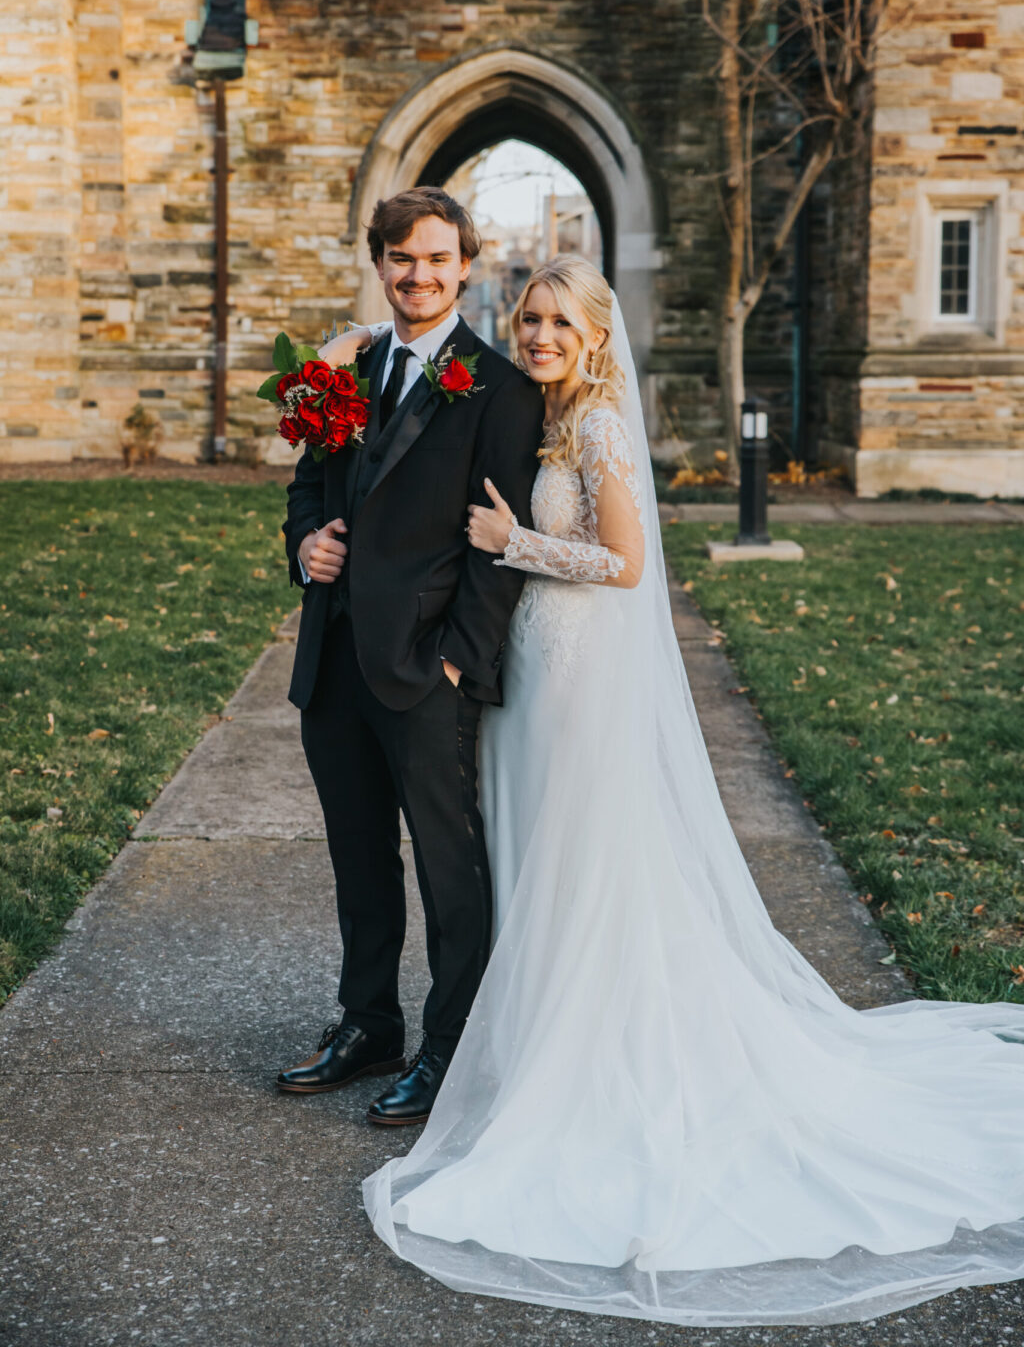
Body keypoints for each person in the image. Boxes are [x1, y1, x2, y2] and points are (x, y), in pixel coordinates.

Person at [342, 252, 1024, 1328]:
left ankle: (603, 1057)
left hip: (580, 674)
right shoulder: (542, 417)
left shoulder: (603, 428)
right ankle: (533, 1042)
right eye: (528, 319)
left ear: (599, 334)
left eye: (559, 321)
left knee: (585, 859)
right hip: (533, 669)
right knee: (532, 858)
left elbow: (624, 563)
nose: (539, 337)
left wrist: (512, 540)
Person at [276, 187, 544, 1126]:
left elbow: (505, 542)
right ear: (379, 262)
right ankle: (367, 1023)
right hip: (336, 659)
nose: (418, 275)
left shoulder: (502, 391)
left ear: (465, 265)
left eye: (436, 259)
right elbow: (308, 489)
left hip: (430, 667)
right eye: (401, 258)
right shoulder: (339, 371)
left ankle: (451, 1045)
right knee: (358, 856)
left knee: (447, 866)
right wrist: (305, 546)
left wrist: (460, 664)